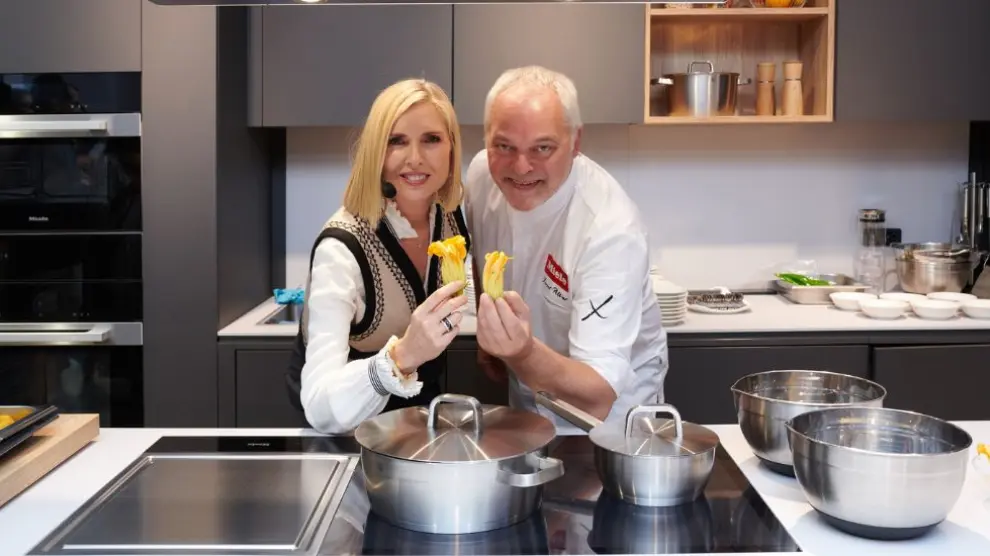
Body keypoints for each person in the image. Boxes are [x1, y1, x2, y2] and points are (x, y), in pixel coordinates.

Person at [464, 65, 668, 434]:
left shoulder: (610, 230)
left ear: (575, 142)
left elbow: (597, 395)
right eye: (504, 146)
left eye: (542, 148)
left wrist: (521, 352)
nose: (521, 167)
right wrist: (491, 333)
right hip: (528, 394)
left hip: (611, 421)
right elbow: (482, 249)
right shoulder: (481, 177)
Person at [286, 78, 471, 434]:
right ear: (376, 151)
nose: (415, 158)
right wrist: (402, 356)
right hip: (345, 428)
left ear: (451, 148)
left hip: (419, 415)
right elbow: (320, 406)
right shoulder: (342, 249)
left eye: (431, 139)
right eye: (396, 141)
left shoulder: (451, 218)